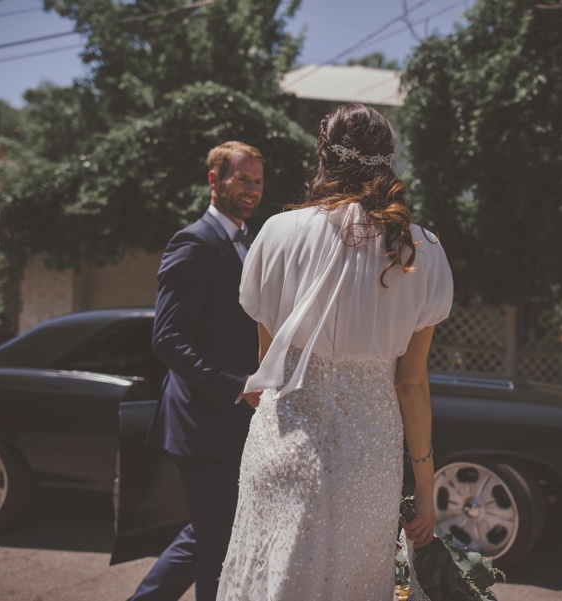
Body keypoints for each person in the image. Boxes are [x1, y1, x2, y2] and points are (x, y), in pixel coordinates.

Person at [217, 104, 454, 600]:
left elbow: (270, 367)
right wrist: (425, 489)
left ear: (323, 156)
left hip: (285, 445)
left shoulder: (278, 234)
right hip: (368, 455)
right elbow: (410, 384)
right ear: (388, 161)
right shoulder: (423, 251)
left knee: (271, 579)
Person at [128, 141, 265, 601]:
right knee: (218, 549)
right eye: (242, 178)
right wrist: (237, 385)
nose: (251, 189)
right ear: (214, 180)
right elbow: (167, 339)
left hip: (235, 422)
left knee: (210, 530)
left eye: (258, 181)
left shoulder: (252, 240)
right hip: (203, 424)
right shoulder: (194, 242)